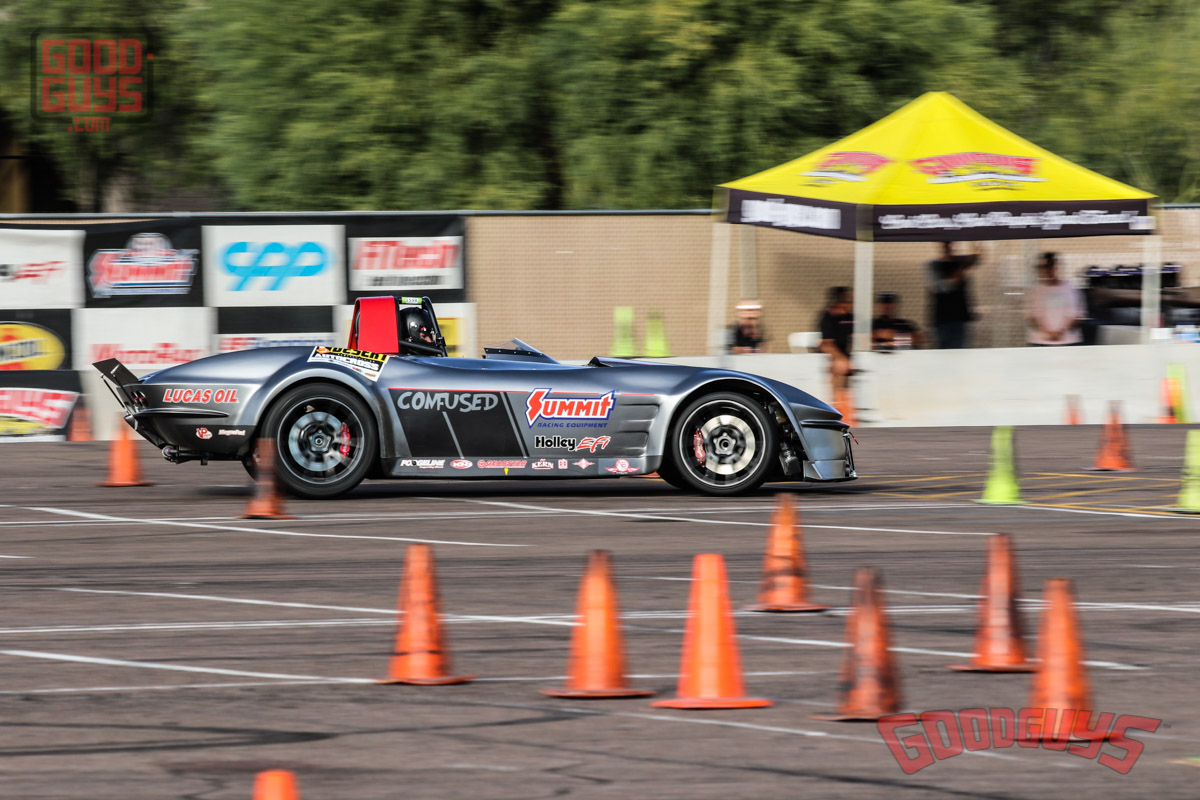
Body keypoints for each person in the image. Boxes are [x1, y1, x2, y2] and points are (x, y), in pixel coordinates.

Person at [927, 241, 979, 348]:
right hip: (942, 318)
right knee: (944, 351)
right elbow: (943, 286)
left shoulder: (959, 261)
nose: (949, 245)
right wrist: (960, 269)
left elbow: (977, 257)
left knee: (959, 351)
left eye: (950, 243)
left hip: (959, 318)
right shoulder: (935, 264)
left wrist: (973, 241)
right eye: (946, 243)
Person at [1026, 252, 1086, 346]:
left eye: (1048, 266)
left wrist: (1060, 332)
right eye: (1040, 267)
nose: (1044, 270)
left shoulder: (1071, 289)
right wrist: (1047, 333)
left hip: (1068, 342)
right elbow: (1031, 316)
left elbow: (1077, 315)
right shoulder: (1035, 291)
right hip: (1039, 342)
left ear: (1056, 267)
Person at [817, 286, 854, 392]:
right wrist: (840, 358)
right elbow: (825, 344)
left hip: (846, 354)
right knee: (839, 365)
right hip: (831, 355)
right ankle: (836, 397)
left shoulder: (849, 317)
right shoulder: (828, 317)